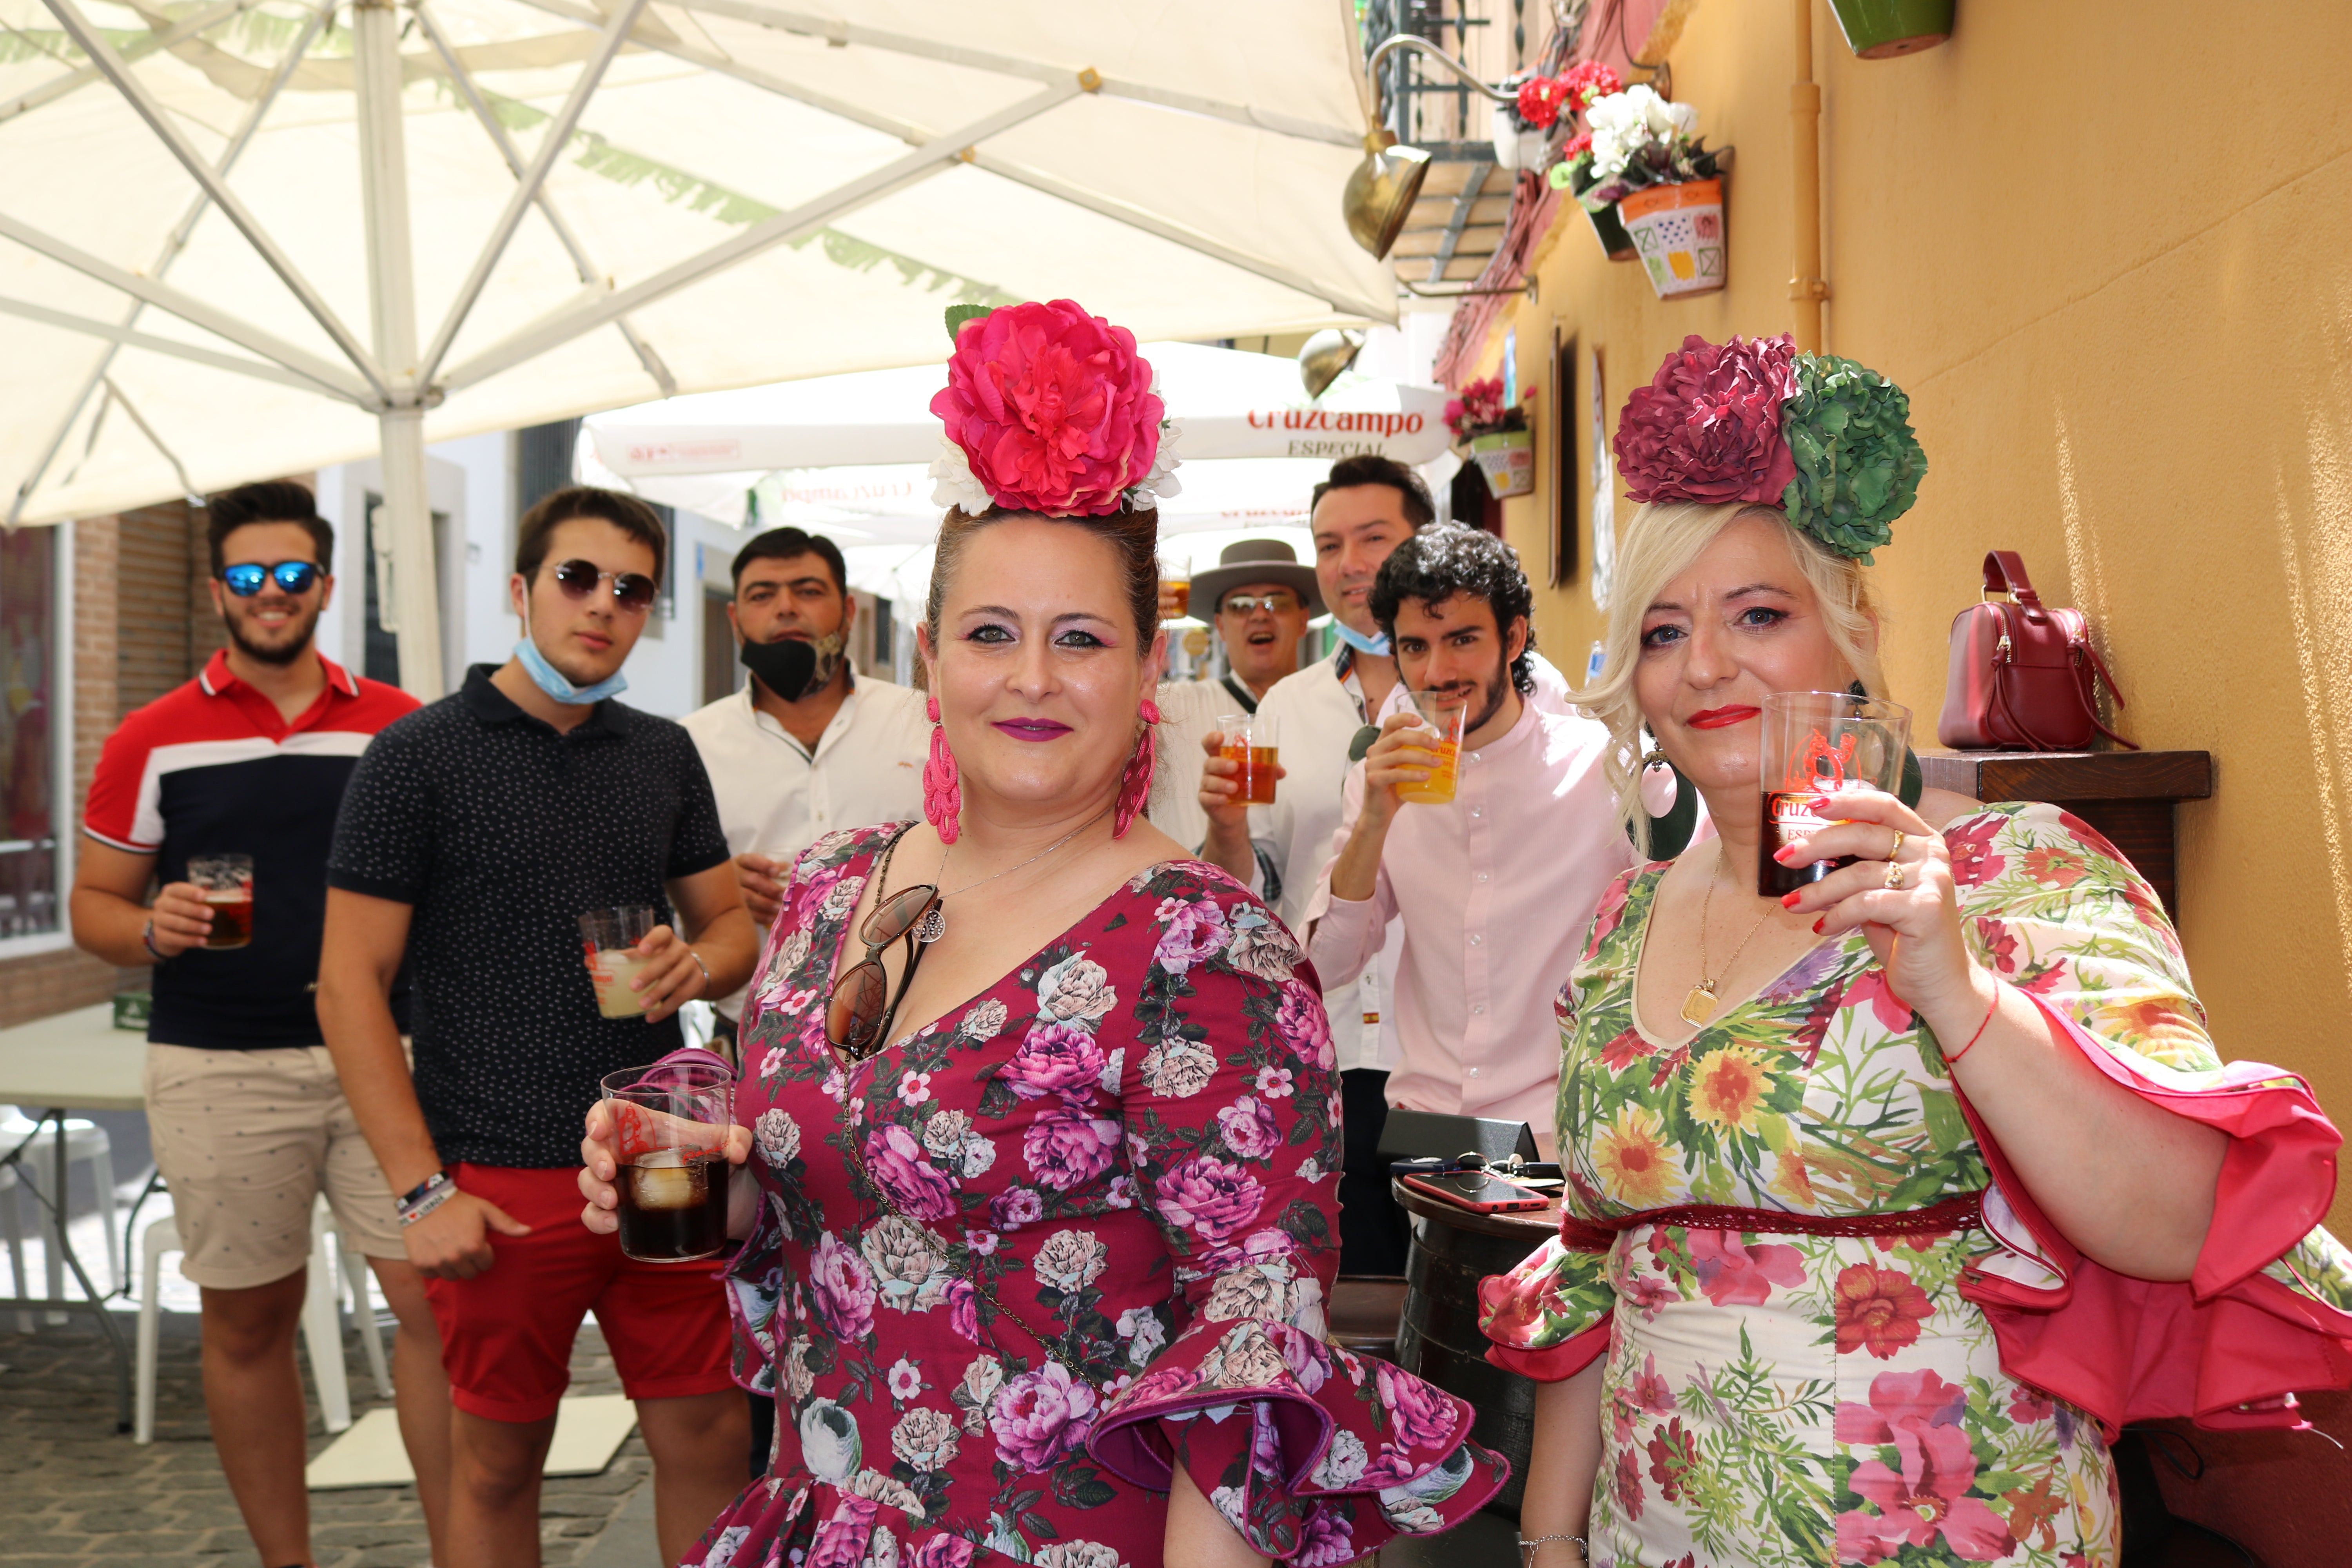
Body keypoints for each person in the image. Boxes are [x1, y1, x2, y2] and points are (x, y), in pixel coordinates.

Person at [576, 300, 1503, 1568]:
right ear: (930, 656)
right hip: (823, 1526)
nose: (1030, 679)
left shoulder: (1203, 953)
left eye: (1080, 641)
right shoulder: (835, 892)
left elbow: (1247, 1356)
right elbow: (824, 1197)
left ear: (1145, 674)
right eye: (991, 636)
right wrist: (718, 1179)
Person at [1478, 335, 2352, 1568]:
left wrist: (1958, 989)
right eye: (1665, 631)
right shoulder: (1619, 922)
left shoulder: (2017, 872)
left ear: (1851, 631)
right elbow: (1593, 1265)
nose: (1707, 665)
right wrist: (1549, 1542)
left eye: (1759, 614)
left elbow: (2179, 1219)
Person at [317, 486, 761, 1568]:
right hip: (502, 1177)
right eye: (577, 578)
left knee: (707, 1436)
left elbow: (734, 924)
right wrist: (422, 1192)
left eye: (630, 589)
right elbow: (346, 986)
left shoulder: (660, 751)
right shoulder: (417, 757)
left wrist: (694, 962)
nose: (602, 605)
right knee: (499, 1465)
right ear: (520, 590)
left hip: (659, 1154)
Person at [66, 481, 449, 1568]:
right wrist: (151, 925)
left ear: (325, 585)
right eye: (247, 576)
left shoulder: (400, 724)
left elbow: (456, 882)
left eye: (291, 575)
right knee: (245, 1324)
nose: (270, 595)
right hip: (216, 1063)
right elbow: (96, 905)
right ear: (217, 589)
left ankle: (464, 1550)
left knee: (433, 1308)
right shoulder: (151, 736)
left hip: (391, 1050)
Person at [1196, 456, 1574, 1272]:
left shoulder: (1578, 747)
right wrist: (1354, 818)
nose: (1439, 671)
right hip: (1380, 1091)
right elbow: (1300, 928)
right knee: (1382, 1307)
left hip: (1541, 1122)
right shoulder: (1314, 723)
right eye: (1329, 544)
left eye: (1463, 639)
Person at [1302, 525, 1632, 1161]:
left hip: (1565, 1137)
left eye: (1462, 640)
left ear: (1512, 638)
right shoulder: (1381, 779)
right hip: (1424, 1137)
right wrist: (1373, 821)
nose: (1437, 672)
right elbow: (1329, 967)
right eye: (1415, 647)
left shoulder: (1605, 771)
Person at [681, 524, 929, 1044]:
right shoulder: (689, 746)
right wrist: (714, 891)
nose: (786, 607)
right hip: (751, 1035)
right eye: (762, 594)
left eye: (809, 590)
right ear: (735, 619)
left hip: (909, 1032)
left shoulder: (923, 724)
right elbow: (663, 904)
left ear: (850, 611)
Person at [1149, 538, 1321, 852]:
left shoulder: (1328, 715)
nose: (1259, 615)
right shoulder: (1171, 708)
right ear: (1221, 627)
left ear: (1303, 620)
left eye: (1276, 603)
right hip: (1197, 895)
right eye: (1241, 605)